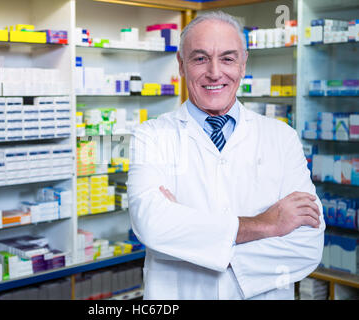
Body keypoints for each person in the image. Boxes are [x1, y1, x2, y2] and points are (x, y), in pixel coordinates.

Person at [127, 11, 325, 300]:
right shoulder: (151, 136)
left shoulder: (282, 137)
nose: (215, 72)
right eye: (200, 58)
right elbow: (152, 224)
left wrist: (193, 241)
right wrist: (267, 225)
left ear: (244, 65)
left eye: (228, 58)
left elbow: (307, 243)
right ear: (181, 65)